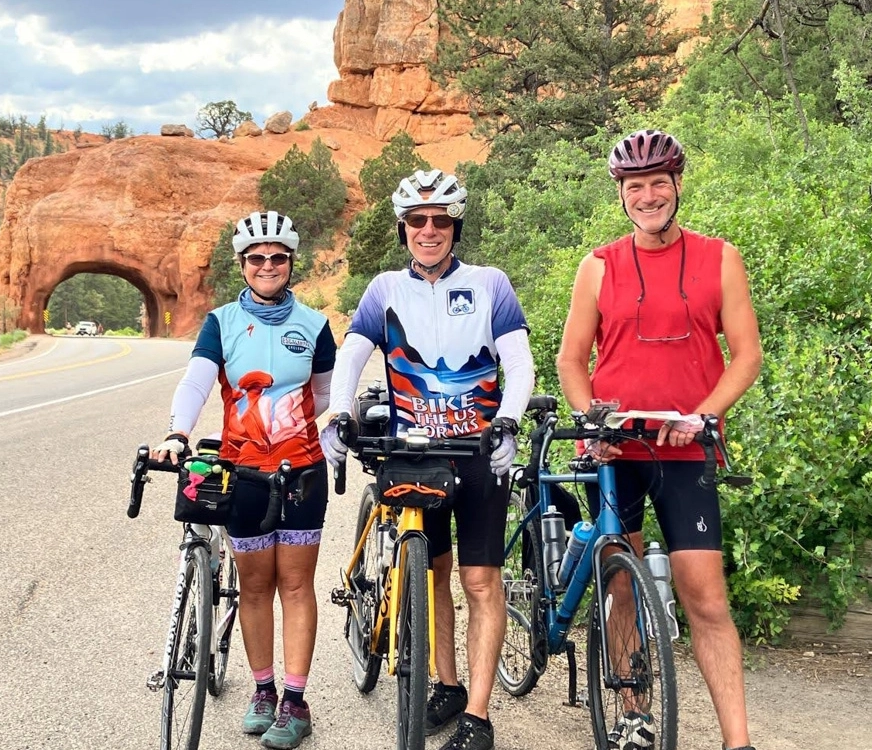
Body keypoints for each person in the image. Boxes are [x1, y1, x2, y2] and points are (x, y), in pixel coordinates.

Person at [556, 129, 763, 750]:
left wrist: (703, 415)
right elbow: (571, 360)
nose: (648, 196)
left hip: (686, 448)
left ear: (677, 185)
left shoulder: (719, 257)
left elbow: (746, 356)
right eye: (635, 186)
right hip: (618, 450)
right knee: (621, 584)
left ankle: (738, 740)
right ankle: (634, 712)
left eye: (658, 183)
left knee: (705, 596)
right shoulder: (597, 267)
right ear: (622, 194)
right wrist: (592, 418)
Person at [321, 169, 534, 750]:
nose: (430, 230)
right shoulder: (384, 289)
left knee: (481, 581)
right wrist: (340, 412)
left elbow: (518, 363)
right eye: (418, 221)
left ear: (455, 226)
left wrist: (509, 419)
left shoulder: (491, 283)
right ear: (404, 229)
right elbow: (351, 357)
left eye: (441, 220)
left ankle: (479, 718)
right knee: (434, 572)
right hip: (417, 453)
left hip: (479, 453)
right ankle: (447, 685)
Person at [151, 211, 336, 750]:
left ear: (290, 264)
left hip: (301, 470)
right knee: (255, 586)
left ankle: (295, 701)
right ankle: (262, 690)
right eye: (257, 258)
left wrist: (289, 427)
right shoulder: (222, 322)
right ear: (243, 264)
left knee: (297, 584)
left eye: (278, 258)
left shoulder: (316, 325)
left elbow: (322, 394)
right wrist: (177, 432)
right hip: (243, 471)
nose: (268, 266)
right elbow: (197, 381)